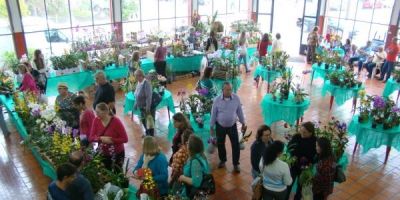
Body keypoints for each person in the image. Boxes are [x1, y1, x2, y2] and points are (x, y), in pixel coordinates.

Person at [210, 82, 246, 173]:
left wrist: (243, 122)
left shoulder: (236, 98)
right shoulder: (217, 100)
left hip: (232, 125)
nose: (229, 91)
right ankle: (223, 160)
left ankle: (236, 164)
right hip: (220, 126)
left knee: (236, 145)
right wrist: (211, 126)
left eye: (230, 89)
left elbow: (239, 112)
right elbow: (213, 114)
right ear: (222, 90)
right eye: (227, 89)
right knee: (221, 144)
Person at [89, 103, 128, 172]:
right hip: (103, 153)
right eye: (95, 112)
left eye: (98, 112)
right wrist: (100, 138)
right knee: (105, 172)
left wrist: (112, 140)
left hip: (117, 153)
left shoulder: (116, 121)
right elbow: (91, 138)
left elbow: (125, 139)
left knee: (117, 172)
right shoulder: (96, 120)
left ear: (106, 112)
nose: (96, 114)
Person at [286, 121, 317, 200]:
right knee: (289, 183)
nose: (302, 133)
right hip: (294, 165)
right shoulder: (297, 136)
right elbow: (289, 147)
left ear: (311, 133)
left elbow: (316, 155)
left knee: (300, 187)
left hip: (305, 168)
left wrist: (310, 162)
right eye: (301, 131)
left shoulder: (315, 141)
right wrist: (294, 155)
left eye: (305, 132)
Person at [133, 69, 155, 136]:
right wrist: (136, 104)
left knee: (149, 122)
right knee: (144, 121)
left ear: (141, 76)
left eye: (137, 77)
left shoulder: (146, 84)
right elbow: (137, 94)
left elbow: (149, 97)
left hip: (146, 107)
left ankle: (150, 136)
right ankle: (147, 134)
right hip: (141, 106)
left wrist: (147, 108)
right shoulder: (139, 83)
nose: (136, 78)